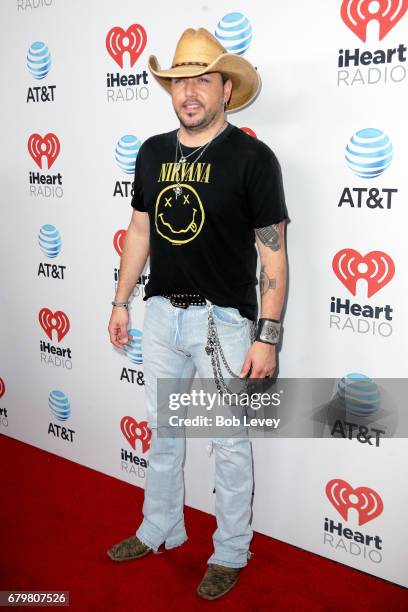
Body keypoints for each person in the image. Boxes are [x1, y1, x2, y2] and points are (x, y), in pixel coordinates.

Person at [107, 27, 288, 601]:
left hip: (225, 325)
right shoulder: (153, 152)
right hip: (160, 315)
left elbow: (274, 255)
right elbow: (139, 230)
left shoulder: (253, 159)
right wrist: (120, 301)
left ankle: (231, 550)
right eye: (180, 81)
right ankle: (160, 525)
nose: (190, 92)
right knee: (163, 433)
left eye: (202, 80)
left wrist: (269, 337)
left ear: (226, 90)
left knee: (230, 444)